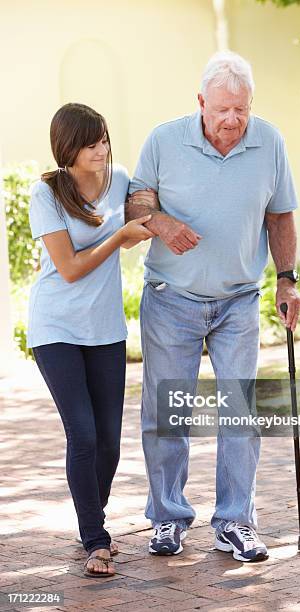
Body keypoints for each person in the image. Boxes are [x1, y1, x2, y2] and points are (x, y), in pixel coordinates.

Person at [126, 51, 300, 563]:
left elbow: (281, 216)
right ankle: (167, 518)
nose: (232, 120)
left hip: (238, 301)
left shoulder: (269, 141)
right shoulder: (164, 140)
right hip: (170, 299)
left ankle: (234, 522)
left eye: (242, 110)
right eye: (222, 109)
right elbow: (137, 200)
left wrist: (287, 281)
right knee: (167, 414)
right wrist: (161, 224)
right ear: (201, 103)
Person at [27, 103, 154, 577]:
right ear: (68, 149)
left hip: (105, 330)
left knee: (110, 444)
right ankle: (96, 540)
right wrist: (120, 235)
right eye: (90, 142)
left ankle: (89, 521)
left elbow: (151, 205)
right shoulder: (47, 194)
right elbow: (71, 269)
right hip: (55, 327)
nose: (101, 149)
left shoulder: (118, 178)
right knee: (82, 434)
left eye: (103, 138)